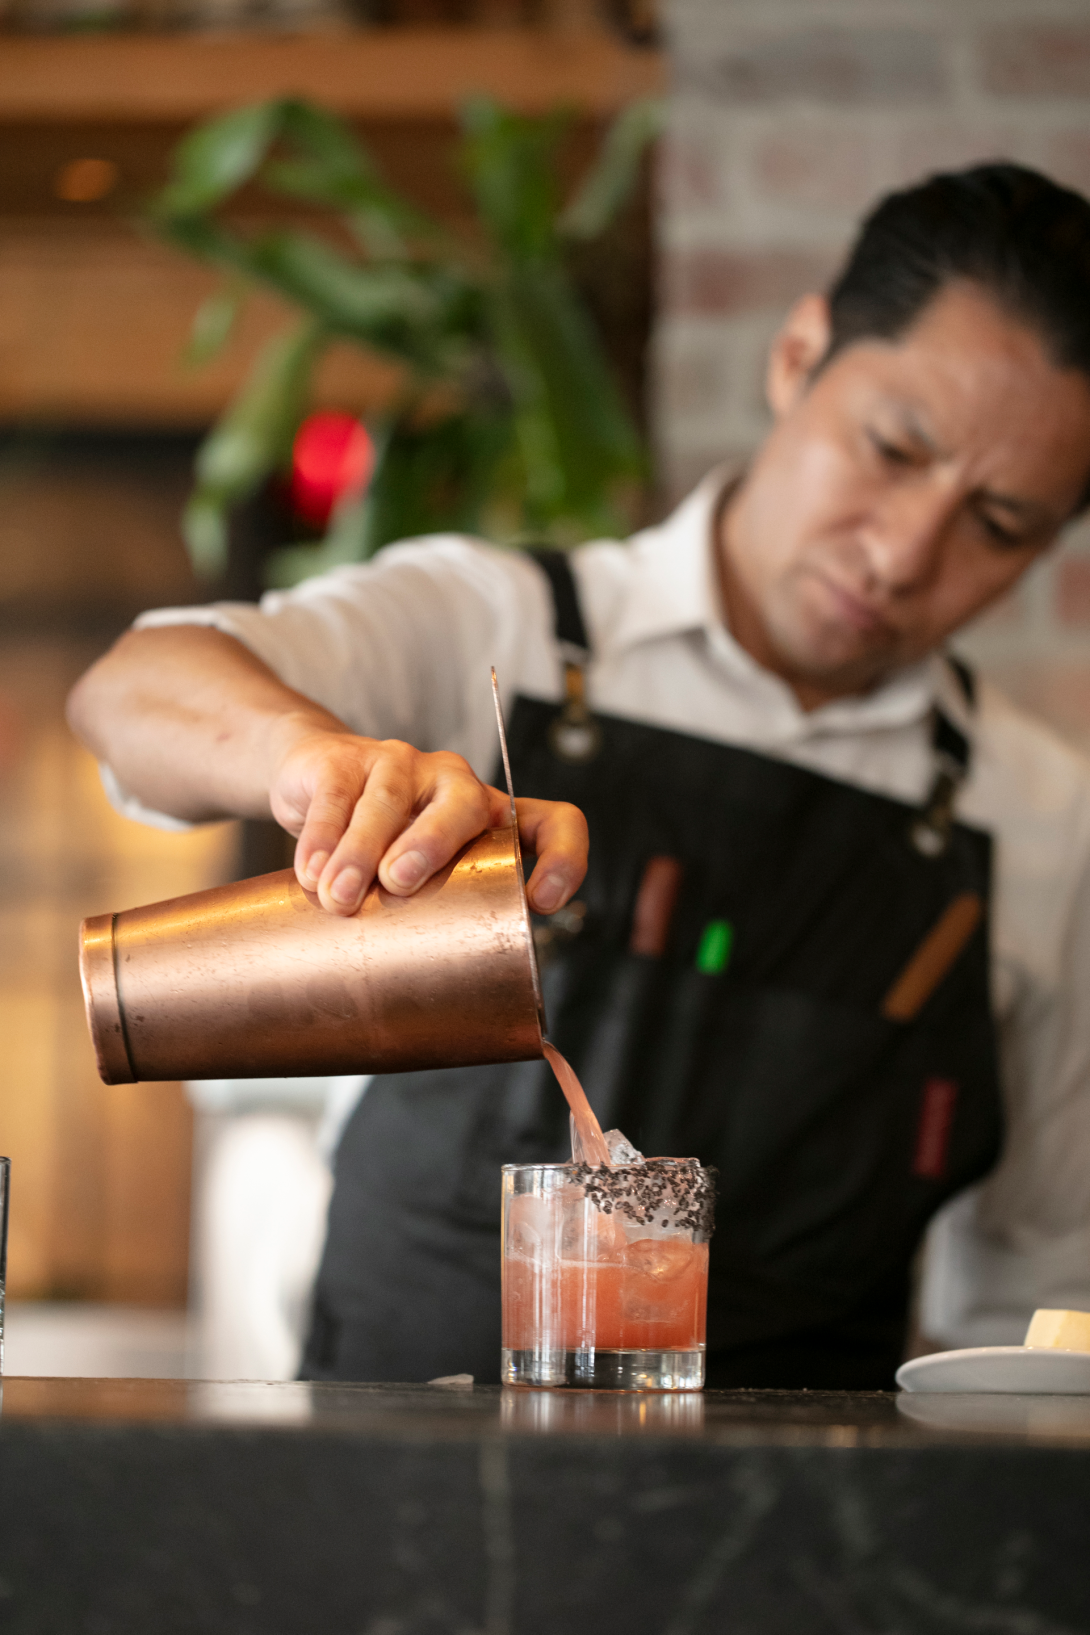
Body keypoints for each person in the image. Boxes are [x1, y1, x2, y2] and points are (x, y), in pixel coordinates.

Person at [69, 162, 1090, 1389]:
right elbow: (132, 689)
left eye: (998, 524)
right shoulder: (496, 624)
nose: (904, 551)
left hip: (790, 1504)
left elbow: (1039, 1303)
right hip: (381, 1473)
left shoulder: (1043, 824)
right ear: (797, 356)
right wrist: (313, 760)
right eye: (893, 448)